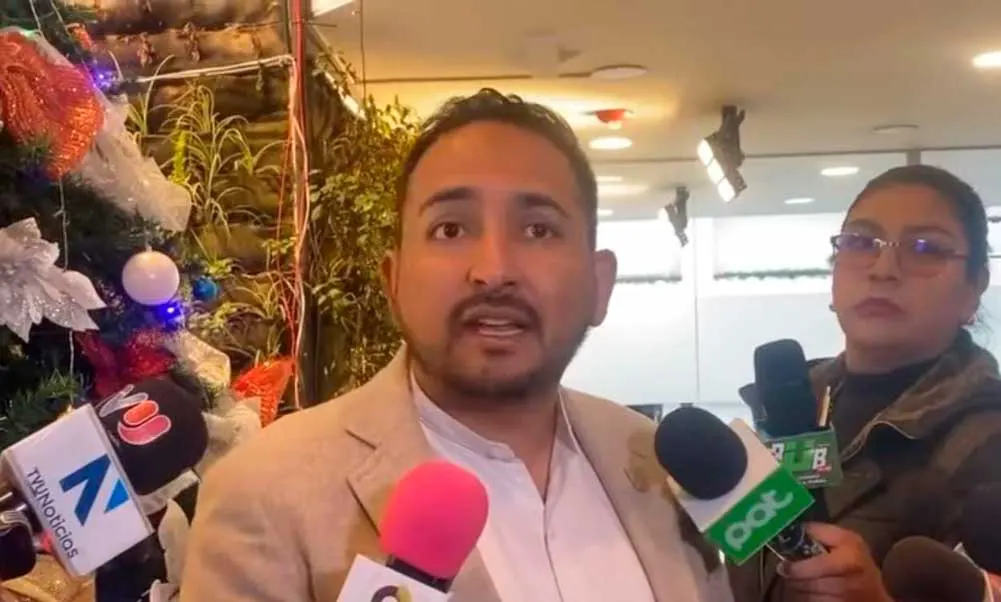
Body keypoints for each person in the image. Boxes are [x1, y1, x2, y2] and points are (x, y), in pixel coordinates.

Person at [179, 89, 732, 602]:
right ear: (394, 281)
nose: (493, 270)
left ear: (599, 285)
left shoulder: (659, 462)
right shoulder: (264, 492)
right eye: (450, 229)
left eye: (538, 230)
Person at [731, 164, 1001, 602]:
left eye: (925, 248)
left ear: (975, 288)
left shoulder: (987, 441)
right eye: (860, 242)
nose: (883, 268)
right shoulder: (788, 410)